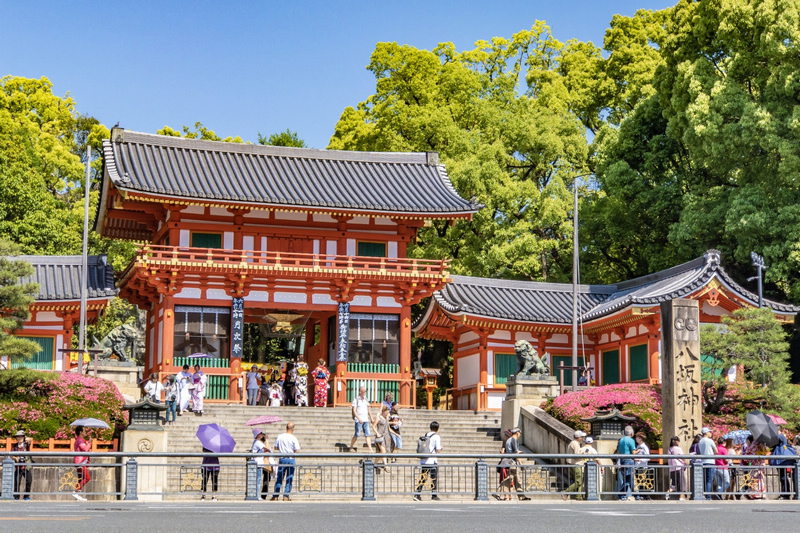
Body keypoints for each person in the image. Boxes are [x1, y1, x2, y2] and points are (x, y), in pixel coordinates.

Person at [413, 421, 443, 501]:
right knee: (433, 478)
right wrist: (441, 448)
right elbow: (438, 449)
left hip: (424, 460)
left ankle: (417, 494)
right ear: (437, 428)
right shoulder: (436, 436)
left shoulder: (425, 435)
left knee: (423, 477)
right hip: (432, 460)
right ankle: (434, 495)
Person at [499, 427, 531, 501]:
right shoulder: (514, 440)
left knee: (516, 480)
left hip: (511, 462)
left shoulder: (508, 440)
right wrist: (521, 464)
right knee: (510, 479)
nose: (520, 434)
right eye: (520, 433)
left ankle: (521, 496)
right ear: (517, 432)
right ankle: (498, 492)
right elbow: (516, 453)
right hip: (513, 462)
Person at [272, 422, 301, 501]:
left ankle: (275, 495)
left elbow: (275, 447)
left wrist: (282, 448)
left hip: (282, 458)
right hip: (290, 458)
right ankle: (286, 495)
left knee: (279, 477)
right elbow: (297, 450)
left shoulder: (280, 436)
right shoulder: (293, 438)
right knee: (289, 478)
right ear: (292, 428)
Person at [742, 435, 767, 499]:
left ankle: (755, 494)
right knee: (761, 479)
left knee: (755, 479)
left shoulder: (753, 444)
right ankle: (762, 494)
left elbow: (747, 453)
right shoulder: (763, 444)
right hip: (761, 464)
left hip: (755, 464)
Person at [349, 385, 374, 452]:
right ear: (360, 392)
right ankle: (351, 446)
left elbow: (369, 409)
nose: (365, 392)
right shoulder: (356, 400)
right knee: (357, 434)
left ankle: (370, 448)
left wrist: (371, 418)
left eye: (365, 391)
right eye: (364, 391)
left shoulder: (366, 399)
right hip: (359, 419)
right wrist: (358, 418)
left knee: (367, 434)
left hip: (366, 419)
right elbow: (354, 410)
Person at [563, 429, 586, 500]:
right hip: (575, 464)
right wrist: (583, 453)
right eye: (581, 437)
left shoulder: (573, 443)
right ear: (578, 437)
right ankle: (566, 492)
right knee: (579, 481)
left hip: (572, 463)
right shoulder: (575, 444)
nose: (582, 438)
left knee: (579, 480)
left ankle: (578, 496)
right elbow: (576, 455)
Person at [11, 430, 33, 501]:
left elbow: (30, 440)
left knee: (29, 481)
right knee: (17, 482)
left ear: (23, 437)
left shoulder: (26, 445)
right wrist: (15, 458)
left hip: (26, 466)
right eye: (18, 437)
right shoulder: (14, 446)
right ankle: (16, 496)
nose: (19, 438)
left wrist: (26, 437)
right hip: (18, 466)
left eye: (21, 436)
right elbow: (11, 455)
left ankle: (26, 496)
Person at [616, 426, 636, 501]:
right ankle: (622, 494)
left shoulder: (621, 440)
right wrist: (637, 452)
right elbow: (633, 452)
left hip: (622, 460)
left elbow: (618, 451)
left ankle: (622, 495)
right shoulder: (631, 440)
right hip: (629, 460)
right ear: (632, 433)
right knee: (629, 479)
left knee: (625, 479)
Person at [697, 427, 717, 499]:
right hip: (710, 462)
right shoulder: (710, 441)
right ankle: (708, 496)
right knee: (709, 480)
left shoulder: (700, 441)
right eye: (709, 432)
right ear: (706, 433)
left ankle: (704, 495)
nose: (710, 433)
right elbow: (716, 451)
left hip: (703, 462)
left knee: (705, 479)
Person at [72, 426, 91, 501]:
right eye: (84, 431)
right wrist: (90, 442)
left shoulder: (80, 440)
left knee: (81, 478)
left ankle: (77, 493)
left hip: (80, 461)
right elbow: (85, 449)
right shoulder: (80, 440)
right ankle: (76, 492)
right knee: (87, 478)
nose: (85, 432)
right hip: (80, 462)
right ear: (80, 432)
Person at [667, 436, 687, 500]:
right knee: (682, 483)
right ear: (677, 442)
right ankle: (681, 497)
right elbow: (683, 457)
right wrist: (685, 461)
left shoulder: (669, 449)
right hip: (679, 467)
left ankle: (667, 494)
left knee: (674, 484)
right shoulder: (678, 449)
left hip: (672, 468)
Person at [632, 431, 651, 500]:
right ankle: (642, 495)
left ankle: (646, 495)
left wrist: (640, 460)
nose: (636, 439)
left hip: (642, 466)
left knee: (642, 481)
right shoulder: (638, 446)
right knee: (639, 481)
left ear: (640, 438)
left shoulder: (644, 447)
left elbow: (648, 457)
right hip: (637, 466)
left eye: (637, 438)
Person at [250, 429, 268, 499]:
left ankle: (256, 494)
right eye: (260, 433)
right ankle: (257, 495)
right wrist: (266, 440)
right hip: (258, 463)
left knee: (257, 479)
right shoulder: (258, 442)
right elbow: (266, 448)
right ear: (257, 435)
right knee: (258, 479)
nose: (262, 435)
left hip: (257, 462)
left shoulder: (256, 442)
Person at [373, 404, 391, 472]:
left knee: (381, 452)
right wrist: (377, 433)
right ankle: (386, 466)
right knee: (383, 451)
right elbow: (373, 426)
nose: (388, 413)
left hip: (386, 436)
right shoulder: (379, 417)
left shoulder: (386, 418)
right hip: (380, 436)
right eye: (387, 412)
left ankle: (375, 463)